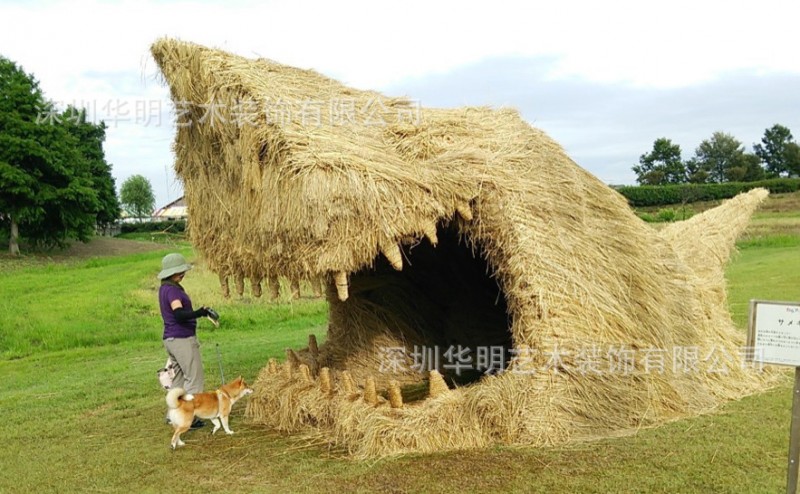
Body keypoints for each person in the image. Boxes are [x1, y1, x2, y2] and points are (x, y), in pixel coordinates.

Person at [158, 252, 213, 430]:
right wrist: (200, 312)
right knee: (194, 378)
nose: (183, 275)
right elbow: (179, 314)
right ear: (172, 273)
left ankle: (172, 415)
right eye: (180, 272)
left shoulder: (164, 288)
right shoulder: (173, 291)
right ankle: (190, 416)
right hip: (182, 339)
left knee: (179, 380)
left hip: (171, 339)